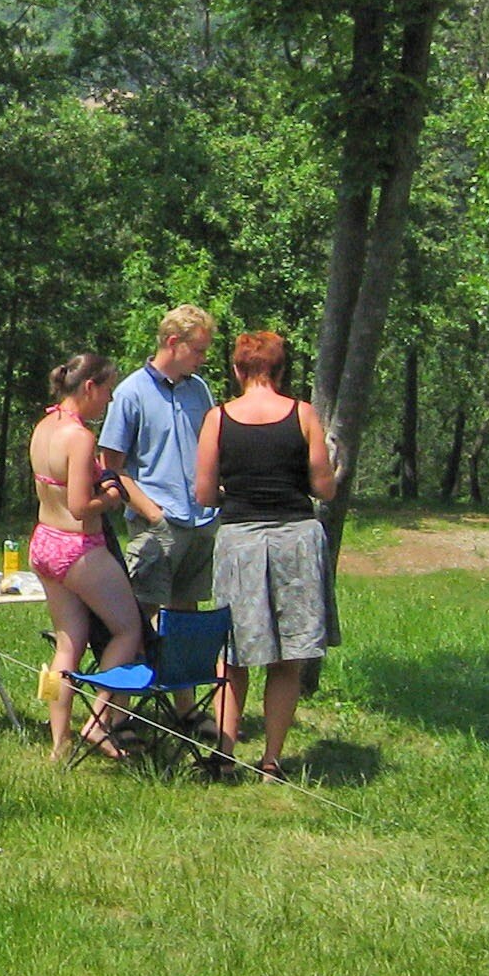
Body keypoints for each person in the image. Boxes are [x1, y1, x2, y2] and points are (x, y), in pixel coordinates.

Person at [193, 330, 339, 783]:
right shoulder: (304, 415)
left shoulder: (218, 419)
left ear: (237, 370)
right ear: (279, 370)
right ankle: (272, 761)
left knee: (233, 657)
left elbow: (202, 493)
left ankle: (224, 752)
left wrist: (231, 491)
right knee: (287, 658)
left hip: (240, 542)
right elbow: (324, 487)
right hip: (296, 539)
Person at [30, 352, 144, 762]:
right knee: (128, 630)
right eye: (108, 389)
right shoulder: (80, 437)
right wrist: (111, 496)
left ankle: (58, 745)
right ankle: (99, 721)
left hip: (42, 541)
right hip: (77, 547)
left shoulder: (45, 425)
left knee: (68, 645)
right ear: (90, 387)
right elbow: (80, 505)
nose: (110, 400)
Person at [99, 305, 219, 619]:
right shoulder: (130, 393)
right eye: (197, 350)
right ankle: (131, 666)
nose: (202, 359)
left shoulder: (199, 390)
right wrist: (153, 514)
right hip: (157, 522)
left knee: (186, 614)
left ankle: (177, 668)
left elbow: (210, 447)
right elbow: (111, 465)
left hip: (200, 520)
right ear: (173, 342)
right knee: (141, 611)